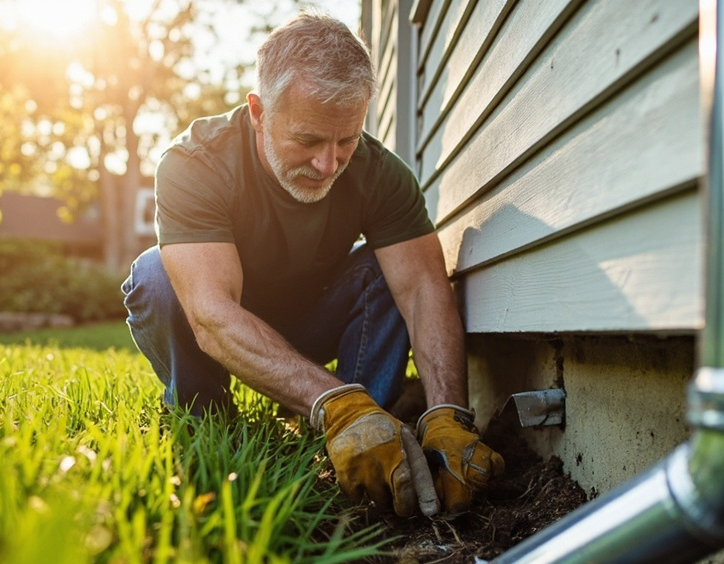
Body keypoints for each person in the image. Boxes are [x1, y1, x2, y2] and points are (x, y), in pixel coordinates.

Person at [121, 11, 502, 518]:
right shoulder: (196, 163)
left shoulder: (381, 174)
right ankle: (210, 418)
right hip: (231, 323)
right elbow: (211, 315)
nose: (329, 164)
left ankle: (366, 428)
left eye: (346, 140)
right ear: (258, 112)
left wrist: (449, 415)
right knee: (154, 277)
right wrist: (333, 399)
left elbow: (423, 290)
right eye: (308, 141)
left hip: (314, 318)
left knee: (389, 274)